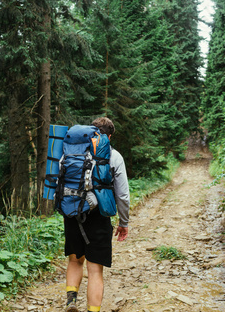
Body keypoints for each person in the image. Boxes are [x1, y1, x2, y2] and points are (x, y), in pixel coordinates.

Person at [63, 117, 130, 312]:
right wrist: (123, 222)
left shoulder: (71, 151)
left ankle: (71, 301)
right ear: (108, 136)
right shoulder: (113, 155)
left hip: (72, 211)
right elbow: (123, 195)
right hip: (99, 215)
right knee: (95, 269)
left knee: (75, 260)